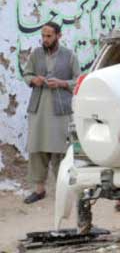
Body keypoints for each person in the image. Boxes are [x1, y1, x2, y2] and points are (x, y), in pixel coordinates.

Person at [22, 22, 80, 204]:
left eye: (49, 36)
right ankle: (39, 190)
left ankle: (62, 190)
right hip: (38, 109)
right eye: (43, 36)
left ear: (58, 36)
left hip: (60, 110)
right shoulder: (35, 54)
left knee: (60, 151)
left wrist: (62, 84)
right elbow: (26, 75)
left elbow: (78, 80)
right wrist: (34, 80)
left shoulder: (69, 55)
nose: (45, 39)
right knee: (37, 148)